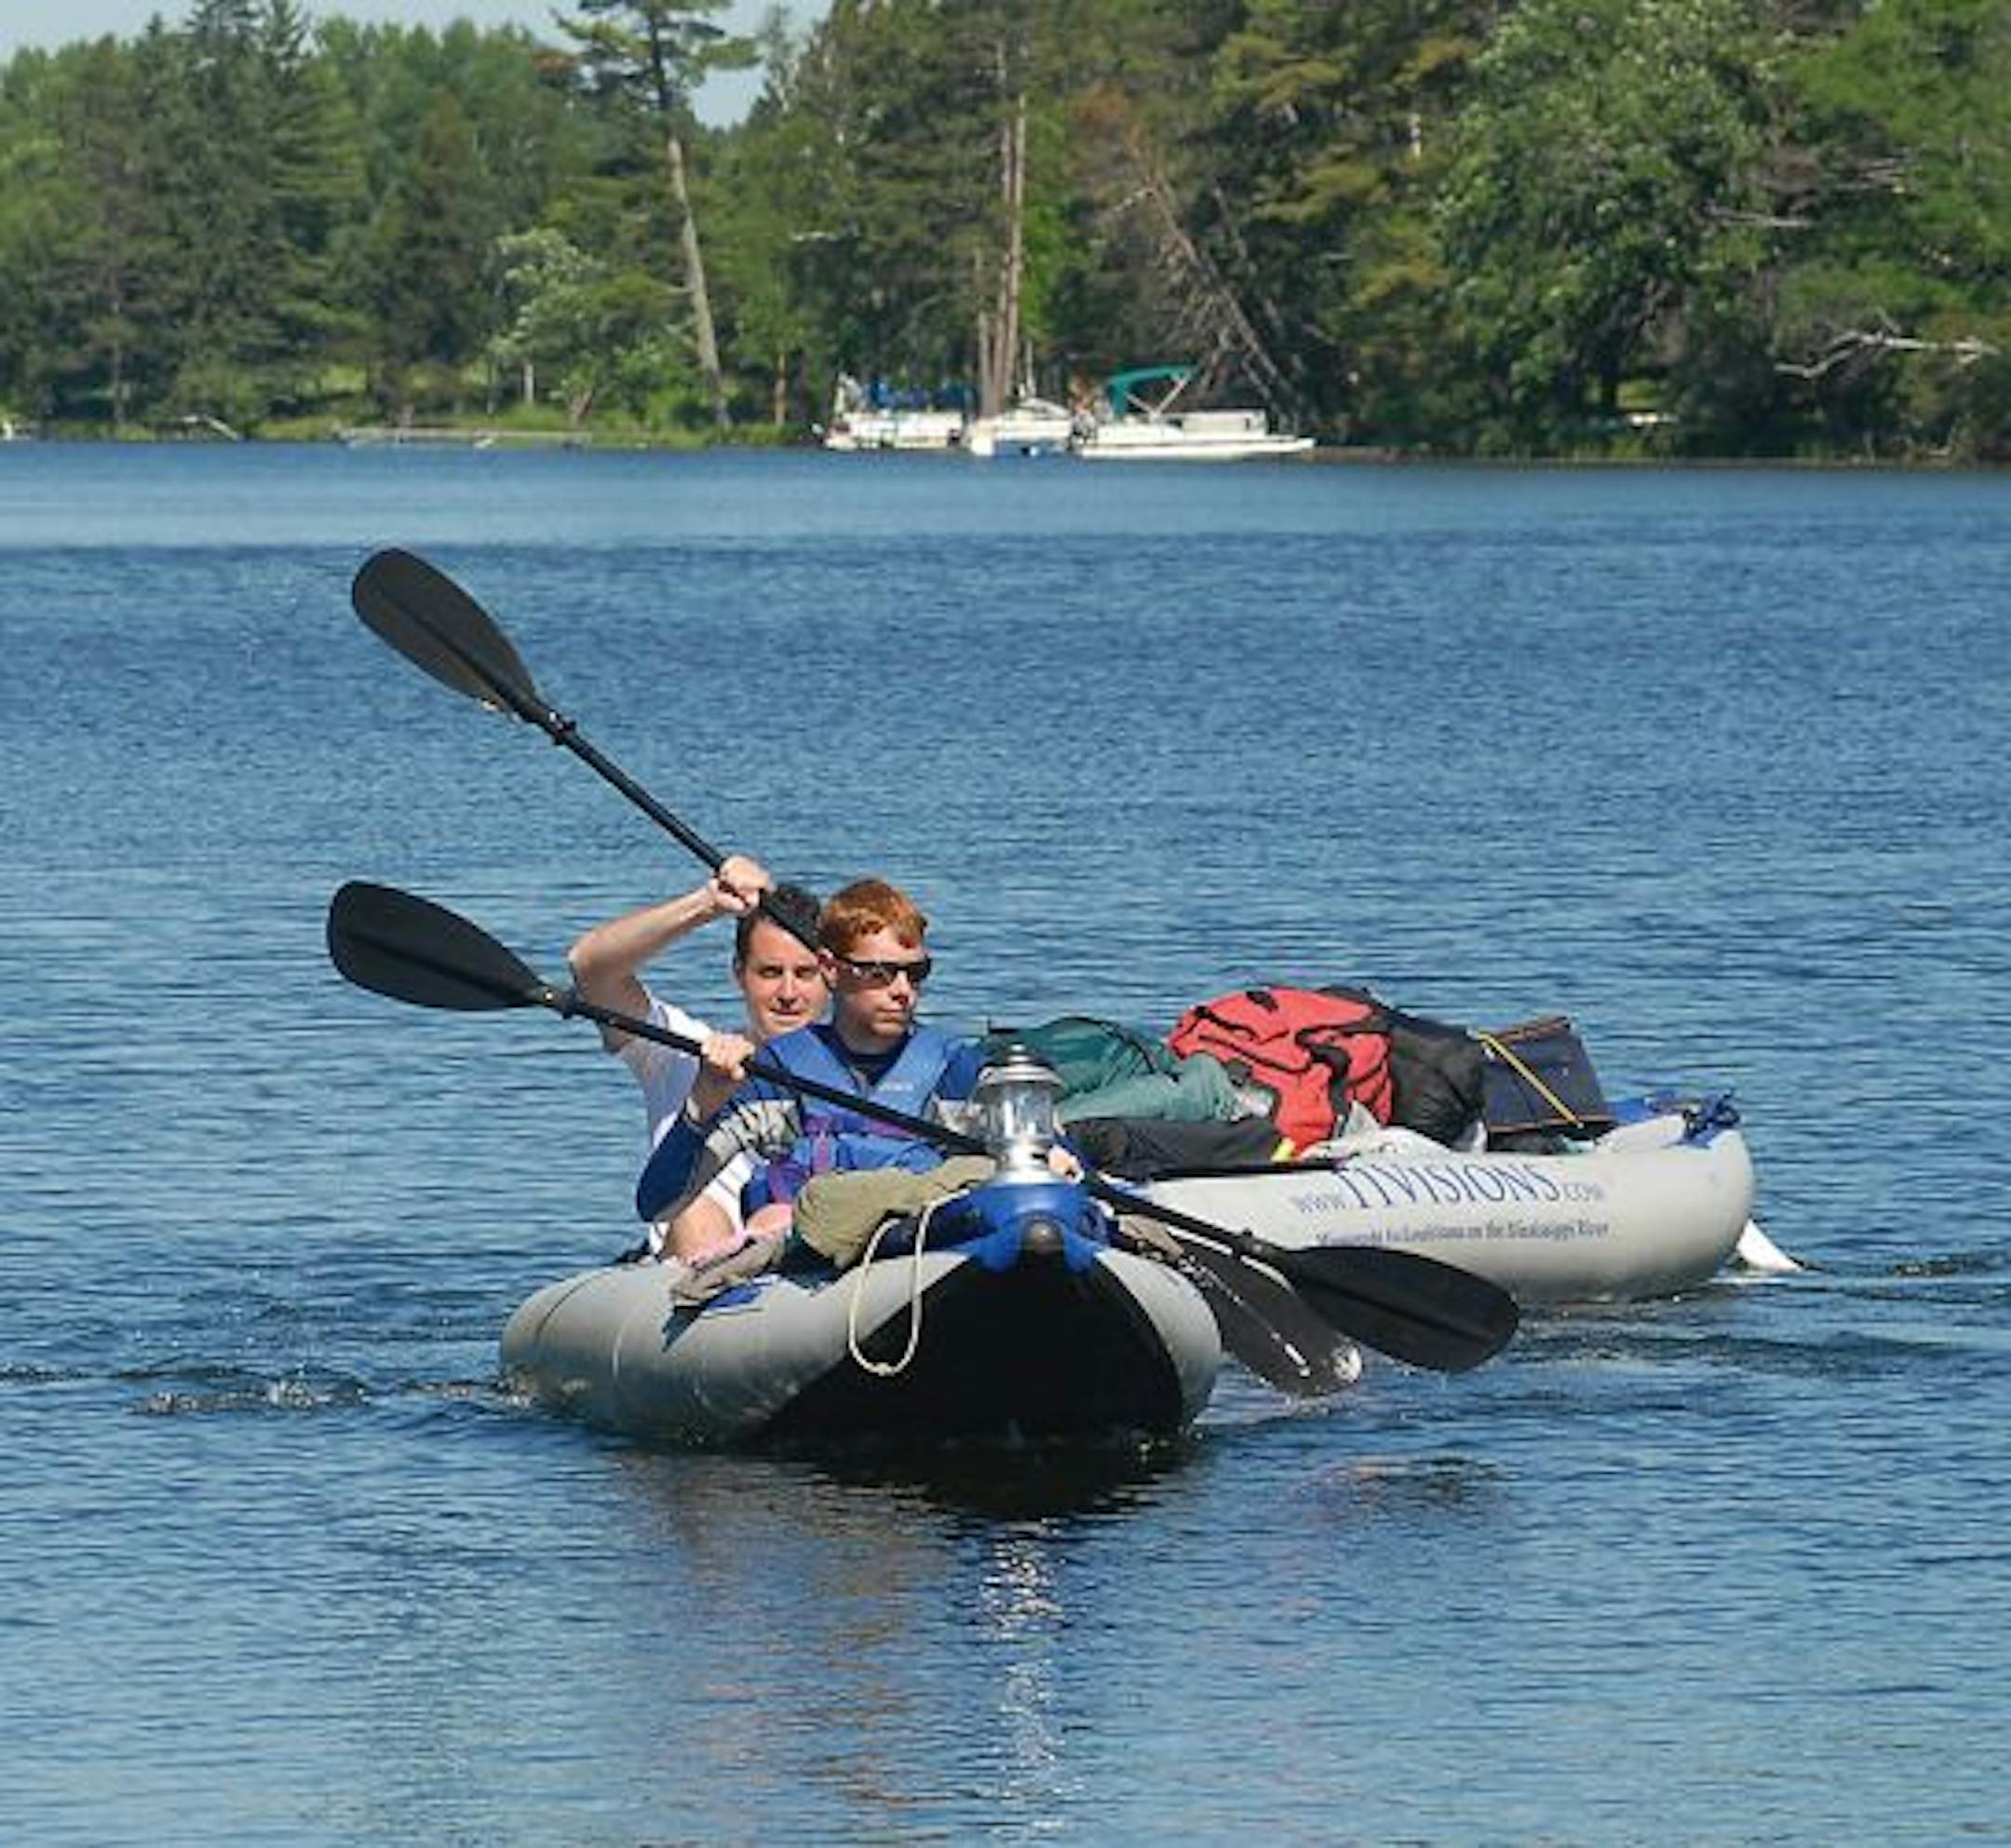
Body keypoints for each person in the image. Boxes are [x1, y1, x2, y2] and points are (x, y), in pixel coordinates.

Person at [635, 876, 983, 1237]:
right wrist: (701, 1101)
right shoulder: (773, 1080)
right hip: (809, 1261)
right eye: (880, 973)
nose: (902, 991)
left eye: (916, 973)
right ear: (830, 969)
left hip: (921, 1247)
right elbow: (660, 1204)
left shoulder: (956, 1071)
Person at [568, 857, 826, 1259]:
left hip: (810, 1265)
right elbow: (590, 968)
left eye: (805, 974)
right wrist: (708, 904)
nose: (789, 993)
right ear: (739, 973)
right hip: (695, 1268)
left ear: (831, 978)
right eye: (770, 973)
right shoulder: (683, 1051)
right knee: (699, 1215)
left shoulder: (861, 1070)